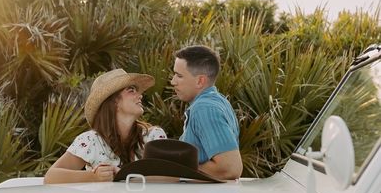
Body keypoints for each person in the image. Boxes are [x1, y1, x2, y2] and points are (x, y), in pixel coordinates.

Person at [44, 69, 166, 183]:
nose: (140, 95)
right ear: (114, 101)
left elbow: (171, 178)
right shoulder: (91, 141)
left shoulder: (153, 136)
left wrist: (125, 175)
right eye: (131, 90)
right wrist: (93, 176)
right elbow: (51, 177)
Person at [171, 45, 243, 180]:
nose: (173, 81)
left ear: (200, 81)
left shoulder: (204, 108)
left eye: (179, 76)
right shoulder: (218, 102)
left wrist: (177, 170)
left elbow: (230, 168)